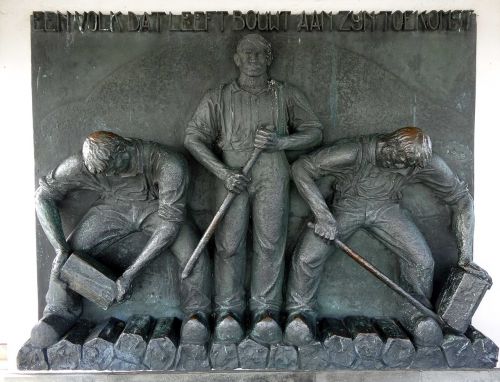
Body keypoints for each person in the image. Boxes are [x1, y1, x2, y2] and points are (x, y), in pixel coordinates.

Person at [184, 34, 323, 344]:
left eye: (260, 53)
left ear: (269, 57)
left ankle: (266, 311)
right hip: (232, 175)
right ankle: (227, 311)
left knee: (270, 243)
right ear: (236, 58)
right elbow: (193, 137)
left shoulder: (285, 95)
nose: (253, 58)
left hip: (273, 171)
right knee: (229, 243)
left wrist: (282, 142)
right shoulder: (217, 97)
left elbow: (314, 132)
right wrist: (222, 171)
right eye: (247, 52)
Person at [285, 127, 474, 347]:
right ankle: (299, 313)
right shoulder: (353, 152)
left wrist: (466, 256)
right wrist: (323, 216)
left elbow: (462, 200)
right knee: (306, 257)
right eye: (400, 163)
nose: (405, 171)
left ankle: (415, 315)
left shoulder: (419, 162)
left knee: (422, 261)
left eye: (410, 166)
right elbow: (301, 168)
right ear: (387, 147)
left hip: (386, 209)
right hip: (346, 207)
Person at [31, 131, 211, 347]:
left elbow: (170, 226)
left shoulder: (169, 164)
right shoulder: (81, 165)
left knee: (193, 253)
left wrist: (129, 275)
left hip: (159, 210)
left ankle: (196, 314)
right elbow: (43, 196)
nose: (110, 175)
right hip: (112, 207)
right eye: (103, 173)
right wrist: (60, 248)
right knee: (69, 253)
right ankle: (58, 312)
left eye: (113, 169)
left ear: (123, 149)